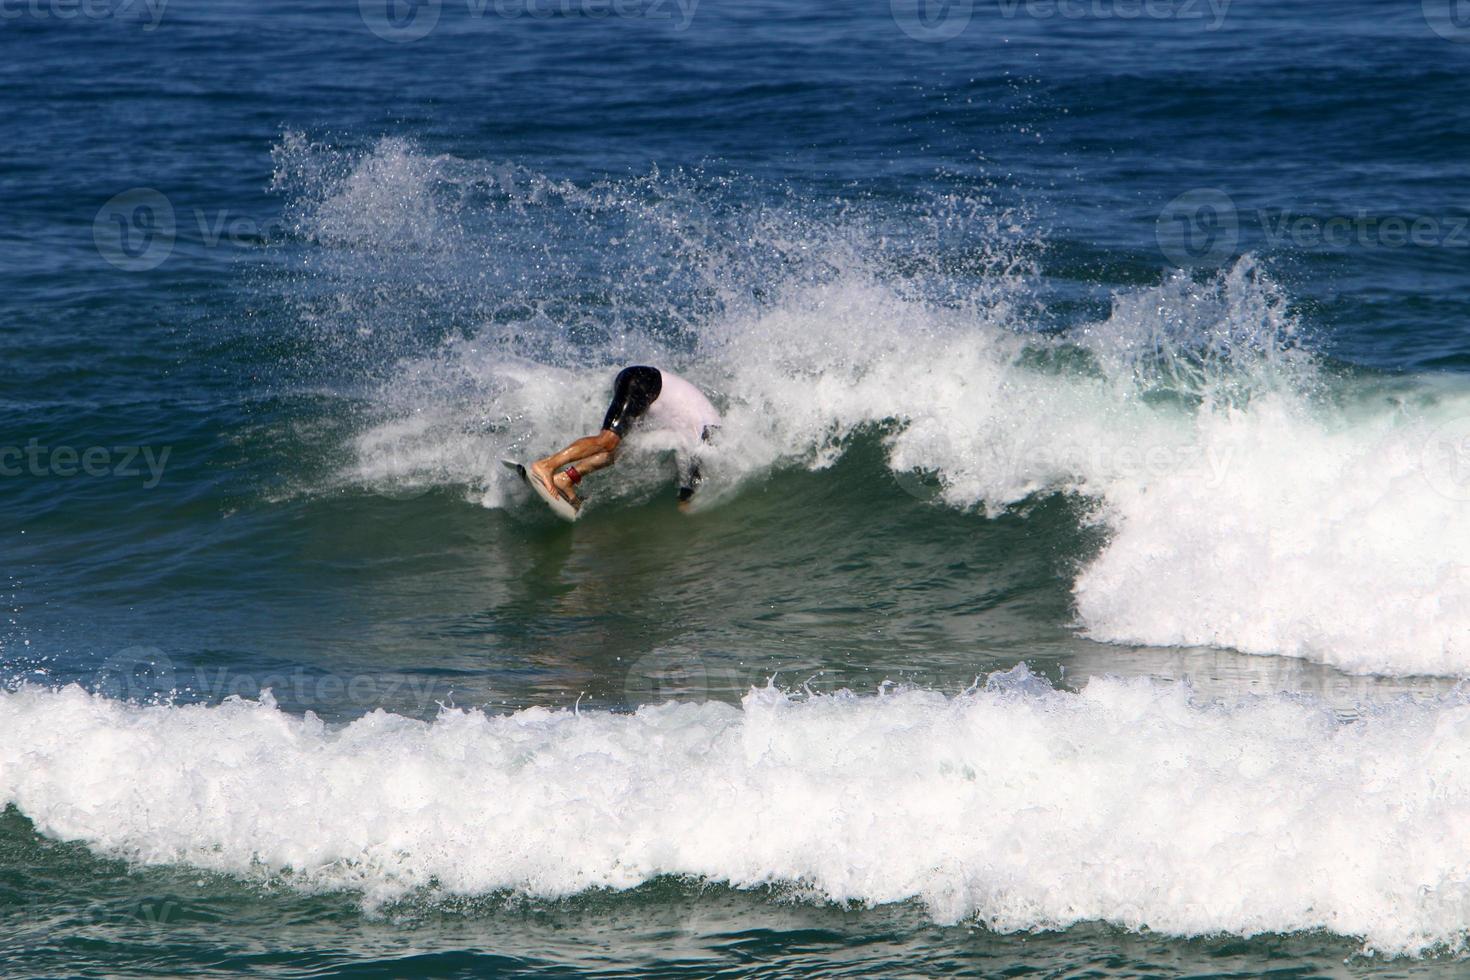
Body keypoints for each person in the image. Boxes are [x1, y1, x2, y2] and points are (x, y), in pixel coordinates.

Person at [529, 365, 720, 513]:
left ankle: (564, 479)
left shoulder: (700, 422)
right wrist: (686, 499)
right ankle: (547, 465)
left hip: (646, 390)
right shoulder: (708, 428)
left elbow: (690, 458)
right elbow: (696, 464)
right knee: (608, 440)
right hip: (644, 382)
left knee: (617, 451)